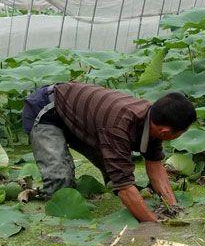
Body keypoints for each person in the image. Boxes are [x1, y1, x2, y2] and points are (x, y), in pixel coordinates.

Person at [22, 82, 196, 222]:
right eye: (181, 133)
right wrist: (154, 225)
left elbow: (155, 165)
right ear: (165, 132)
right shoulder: (119, 125)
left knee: (113, 167)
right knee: (60, 178)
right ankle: (53, 224)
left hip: (82, 118)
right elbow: (126, 188)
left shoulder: (153, 118)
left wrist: (172, 207)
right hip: (46, 109)